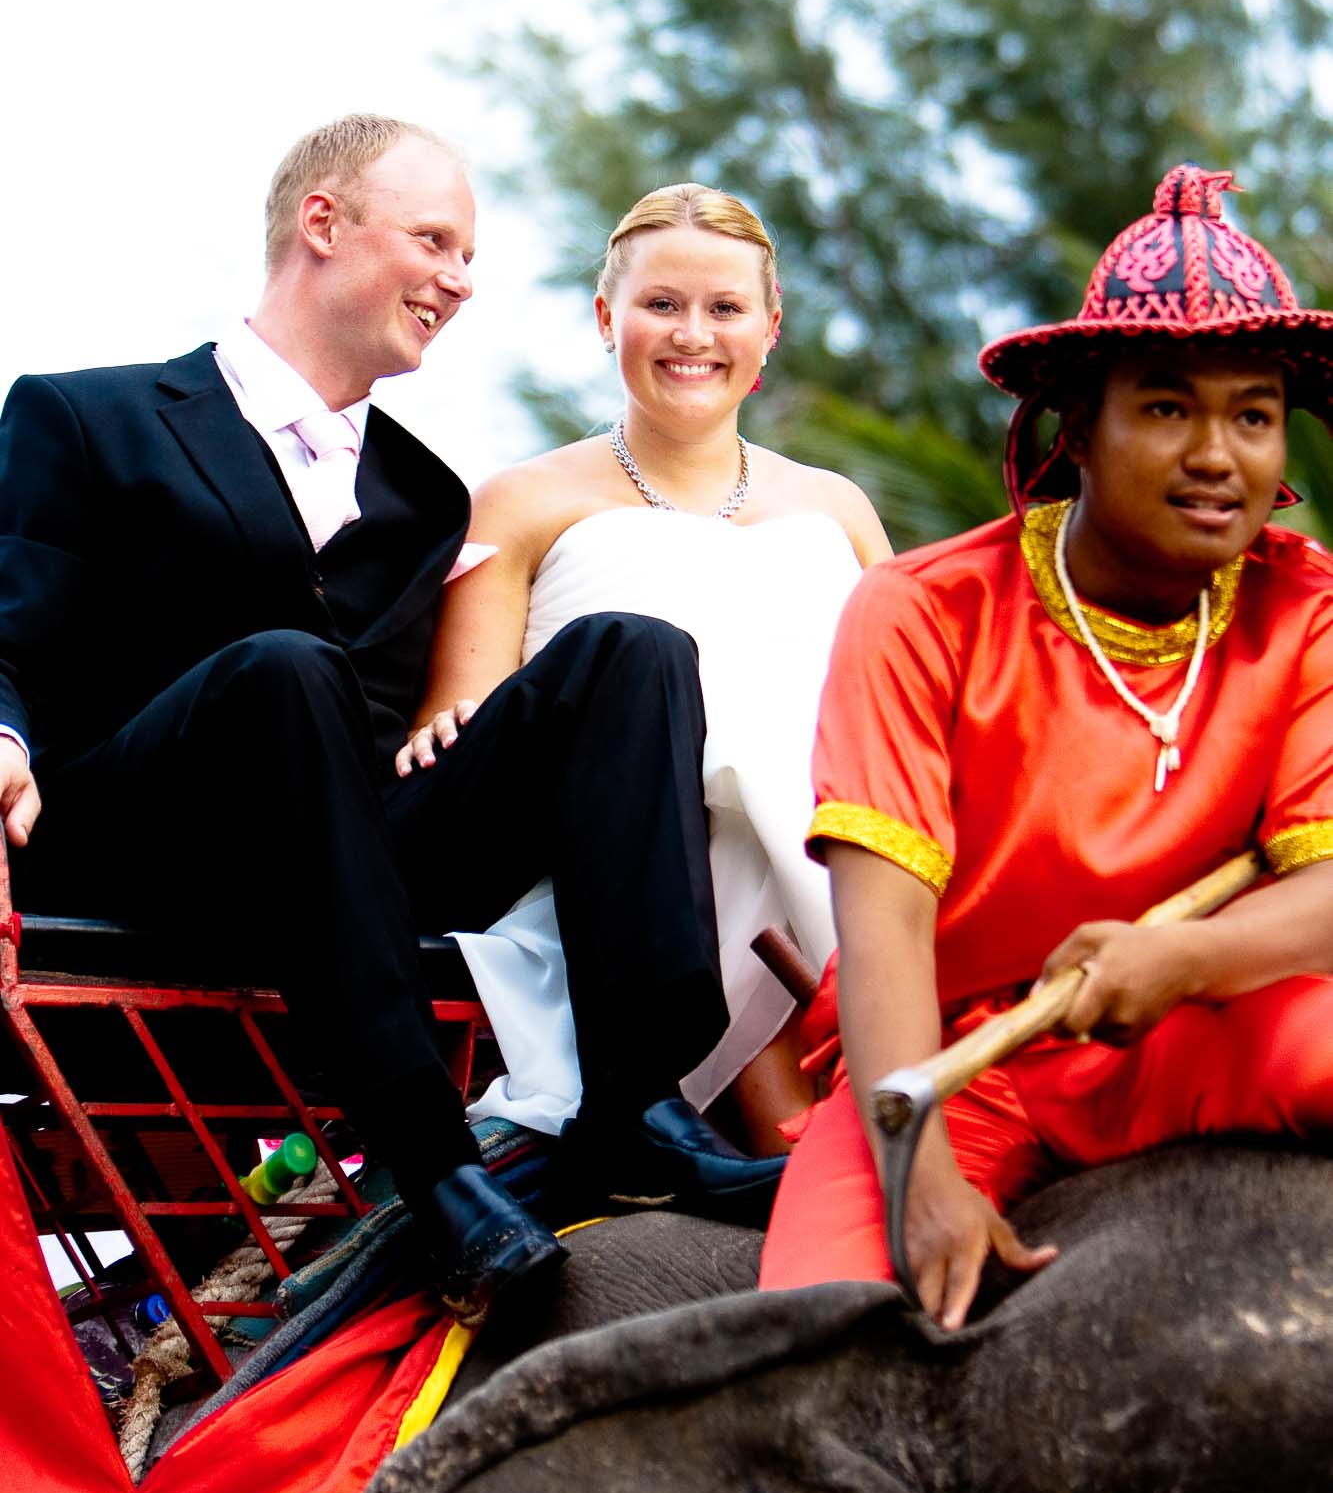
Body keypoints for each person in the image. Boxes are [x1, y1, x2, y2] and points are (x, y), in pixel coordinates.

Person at [0, 114, 735, 1323]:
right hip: (143, 858)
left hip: (343, 868)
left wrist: (454, 731)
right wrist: (3, 736)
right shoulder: (86, 416)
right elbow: (4, 634)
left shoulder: (421, 493)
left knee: (631, 651)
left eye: (469, 254)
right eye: (435, 240)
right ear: (323, 223)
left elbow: (398, 720)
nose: (462, 278)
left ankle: (637, 1104)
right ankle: (436, 1169)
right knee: (284, 669)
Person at [760, 163, 1333, 1326]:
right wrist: (918, 1172)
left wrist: (1178, 962)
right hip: (956, 1061)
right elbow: (882, 933)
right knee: (818, 1341)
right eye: (1166, 408)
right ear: (1079, 426)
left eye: (1252, 413)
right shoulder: (921, 611)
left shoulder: (1306, 604)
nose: (1217, 453)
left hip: (1195, 1023)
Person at [397, 183, 890, 1161]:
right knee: (727, 767)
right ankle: (787, 1135)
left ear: (769, 328)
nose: (691, 334)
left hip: (836, 834)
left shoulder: (837, 509)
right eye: (661, 304)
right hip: (607, 862)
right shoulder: (519, 501)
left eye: (724, 307)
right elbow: (465, 720)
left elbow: (906, 707)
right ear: (604, 317)